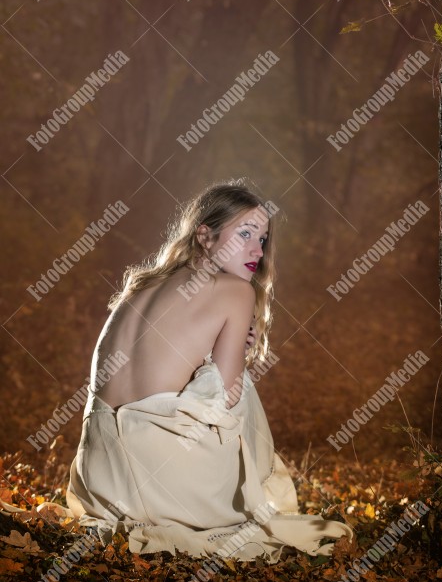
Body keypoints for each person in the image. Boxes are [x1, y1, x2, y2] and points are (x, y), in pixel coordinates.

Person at [65, 178, 354, 562]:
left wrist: (220, 354)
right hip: (167, 484)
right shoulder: (237, 290)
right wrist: (233, 358)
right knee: (243, 383)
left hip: (100, 476)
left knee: (219, 375)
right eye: (246, 233)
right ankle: (243, 499)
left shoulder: (142, 285)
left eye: (262, 239)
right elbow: (226, 399)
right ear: (205, 235)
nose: (257, 250)